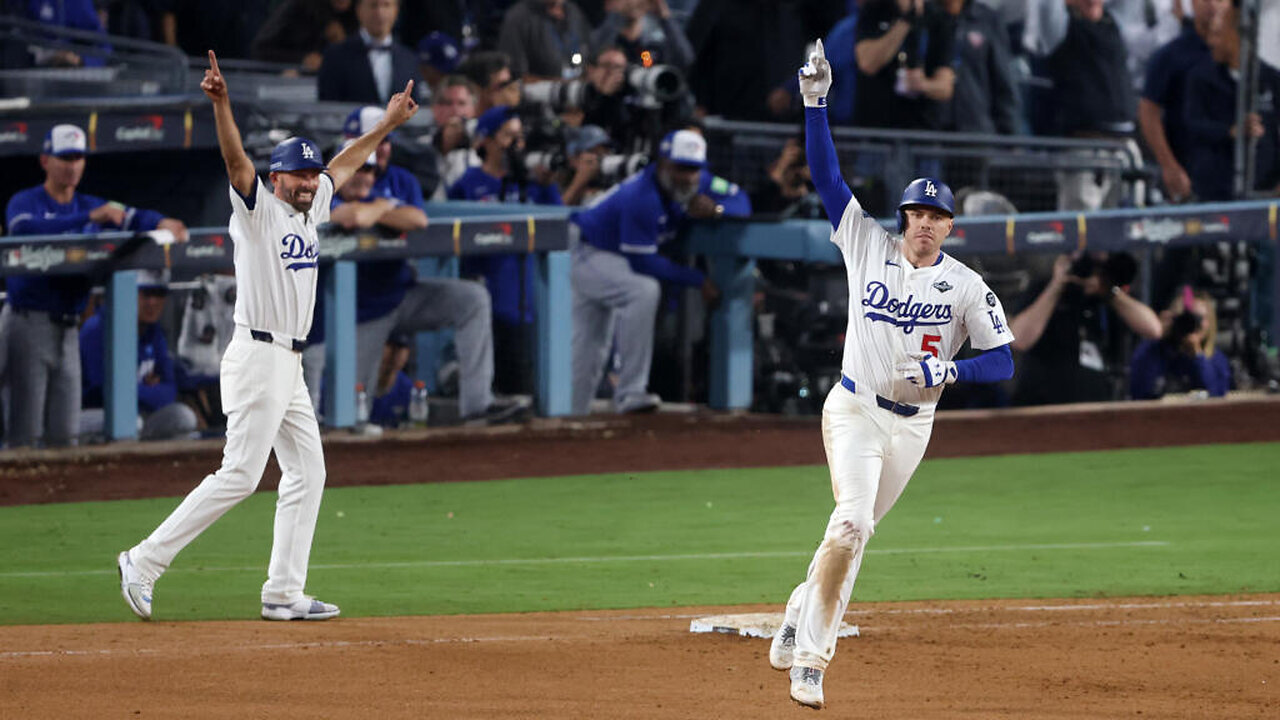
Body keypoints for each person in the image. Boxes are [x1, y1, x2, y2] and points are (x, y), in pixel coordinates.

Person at [115, 51, 418, 622]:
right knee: (241, 475)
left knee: (309, 471)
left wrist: (387, 124)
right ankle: (143, 560)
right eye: (298, 174)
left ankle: (283, 592)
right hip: (257, 354)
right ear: (275, 177)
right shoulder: (258, 209)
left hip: (290, 364)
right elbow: (234, 161)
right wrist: (222, 104)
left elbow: (346, 165)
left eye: (311, 174)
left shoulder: (312, 208)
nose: (308, 181)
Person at [767, 40, 1016, 710]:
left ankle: (796, 613)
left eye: (938, 216)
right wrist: (815, 103)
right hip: (853, 409)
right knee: (852, 525)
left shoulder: (966, 287)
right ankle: (812, 662)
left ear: (950, 226)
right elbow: (826, 179)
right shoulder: (865, 245)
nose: (925, 224)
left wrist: (951, 369)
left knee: (848, 534)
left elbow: (1004, 359)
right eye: (917, 213)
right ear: (903, 217)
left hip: (914, 429)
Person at [2, 124, 188, 448]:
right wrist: (88, 217)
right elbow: (23, 229)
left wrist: (161, 222)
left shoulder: (89, 204)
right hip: (27, 321)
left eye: (78, 158)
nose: (72, 165)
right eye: (65, 157)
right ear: (45, 160)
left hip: (69, 326)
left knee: (65, 434)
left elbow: (129, 215)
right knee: (25, 433)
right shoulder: (26, 201)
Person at [569, 129, 722, 415]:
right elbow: (644, 264)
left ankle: (571, 413)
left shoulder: (695, 184)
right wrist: (698, 280)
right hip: (584, 249)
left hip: (607, 256)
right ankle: (630, 392)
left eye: (694, 169)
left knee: (591, 342)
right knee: (641, 290)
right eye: (681, 167)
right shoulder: (641, 195)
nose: (688, 176)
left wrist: (717, 210)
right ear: (663, 163)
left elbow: (740, 199)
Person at [449, 105, 564, 397]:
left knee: (528, 384)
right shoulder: (469, 183)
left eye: (520, 136)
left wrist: (548, 186)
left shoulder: (533, 184)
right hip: (488, 293)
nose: (517, 144)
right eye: (508, 135)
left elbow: (558, 227)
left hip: (530, 298)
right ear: (486, 140)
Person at [1008, 251, 1162, 405]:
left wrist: (1110, 291)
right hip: (1044, 406)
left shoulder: (1110, 297)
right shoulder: (1042, 288)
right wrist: (1057, 285)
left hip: (1097, 408)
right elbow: (1019, 341)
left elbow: (1153, 329)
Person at [78, 270, 200, 442]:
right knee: (129, 423)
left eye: (158, 294)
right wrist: (148, 390)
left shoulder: (153, 331)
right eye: (146, 294)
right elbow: (104, 391)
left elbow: (170, 390)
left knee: (183, 417)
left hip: (138, 414)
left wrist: (132, 390)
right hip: (94, 415)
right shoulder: (97, 329)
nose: (152, 302)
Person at [1182, 4, 1280, 201]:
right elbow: (1192, 124)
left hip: (1264, 190)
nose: (1211, 42)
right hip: (1215, 191)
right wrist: (1231, 131)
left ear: (1237, 36)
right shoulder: (1201, 78)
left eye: (1218, 35)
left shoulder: (1271, 79)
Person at [1139, 0, 1225, 203]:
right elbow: (1148, 110)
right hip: (1189, 177)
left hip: (1237, 179)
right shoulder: (1171, 55)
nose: (1212, 6)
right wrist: (1169, 166)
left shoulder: (1244, 57)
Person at [854, 0, 956, 131]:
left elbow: (945, 88)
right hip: (877, 131)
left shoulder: (938, 17)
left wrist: (923, 85)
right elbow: (867, 63)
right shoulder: (873, 10)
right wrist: (906, 21)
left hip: (922, 131)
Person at [1130, 287, 1231, 399]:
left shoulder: (1215, 360)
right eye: (1184, 318)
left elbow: (1216, 397)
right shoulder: (1153, 352)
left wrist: (1198, 357)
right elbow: (1139, 391)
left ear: (1209, 322)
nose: (1189, 324)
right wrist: (1159, 337)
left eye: (1196, 318)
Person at [317, 0, 425, 105]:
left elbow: (414, 109)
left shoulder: (410, 60)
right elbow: (327, 110)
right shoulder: (335, 57)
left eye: (386, 5)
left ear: (396, 11)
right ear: (359, 10)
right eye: (373, 5)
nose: (380, 12)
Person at [940, 0, 1020, 135]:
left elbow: (1003, 79)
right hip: (931, 128)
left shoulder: (987, 19)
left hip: (976, 128)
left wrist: (1010, 131)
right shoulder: (926, 15)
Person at [496, 0, 594, 82]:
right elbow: (516, 77)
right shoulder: (518, 19)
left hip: (579, 92)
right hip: (540, 99)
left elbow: (588, 53)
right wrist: (560, 86)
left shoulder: (573, 11)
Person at [250, 0, 357, 71]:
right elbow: (260, 50)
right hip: (293, 86)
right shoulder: (299, 7)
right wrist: (302, 59)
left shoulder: (363, 12)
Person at [590, 0, 696, 71]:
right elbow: (593, 62)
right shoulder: (604, 36)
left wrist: (665, 17)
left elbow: (685, 61)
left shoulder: (658, 38)